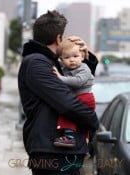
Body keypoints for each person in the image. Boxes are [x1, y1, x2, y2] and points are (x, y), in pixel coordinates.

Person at [18, 10, 99, 175]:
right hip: (52, 153)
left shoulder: (48, 61)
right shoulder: (37, 62)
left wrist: (84, 55)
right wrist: (94, 121)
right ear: (59, 38)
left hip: (58, 151)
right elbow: (68, 102)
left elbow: (80, 83)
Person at [52, 39, 96, 148]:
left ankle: (70, 138)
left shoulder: (84, 68)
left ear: (82, 57)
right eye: (67, 57)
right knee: (82, 121)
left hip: (85, 97)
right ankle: (85, 141)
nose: (72, 60)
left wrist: (59, 78)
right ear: (61, 60)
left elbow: (77, 81)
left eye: (75, 56)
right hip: (81, 97)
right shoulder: (65, 68)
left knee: (67, 113)